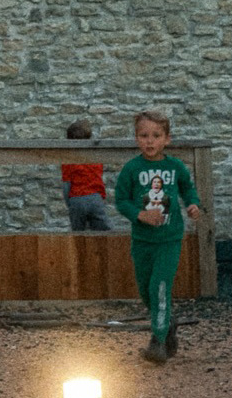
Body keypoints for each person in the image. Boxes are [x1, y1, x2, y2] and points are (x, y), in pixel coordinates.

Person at [114, 110, 201, 363]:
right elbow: (121, 200)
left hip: (169, 239)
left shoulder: (175, 167)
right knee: (146, 291)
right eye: (144, 135)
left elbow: (188, 189)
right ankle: (168, 322)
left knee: (159, 287)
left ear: (167, 139)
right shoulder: (132, 169)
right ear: (136, 138)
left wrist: (193, 205)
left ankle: (158, 340)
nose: (149, 141)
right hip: (142, 241)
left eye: (155, 135)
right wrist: (140, 215)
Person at [62, 118, 112, 231]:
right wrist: (101, 197)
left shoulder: (68, 159)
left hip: (77, 199)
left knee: (77, 234)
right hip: (95, 197)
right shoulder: (95, 156)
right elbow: (98, 178)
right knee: (103, 233)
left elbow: (66, 184)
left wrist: (69, 203)